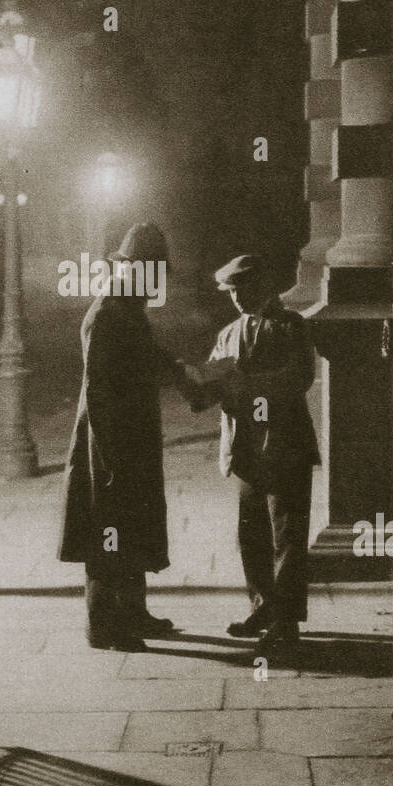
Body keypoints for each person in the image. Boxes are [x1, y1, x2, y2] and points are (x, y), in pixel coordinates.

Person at [57, 222, 192, 651]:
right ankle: (104, 626)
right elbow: (97, 391)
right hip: (108, 444)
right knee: (107, 530)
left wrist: (182, 371)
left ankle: (133, 612)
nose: (158, 286)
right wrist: (110, 458)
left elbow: (148, 355)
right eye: (154, 275)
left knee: (130, 525)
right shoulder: (107, 314)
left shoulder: (128, 311)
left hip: (132, 439)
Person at [192, 255, 320, 655]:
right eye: (232, 293)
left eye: (243, 290)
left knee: (287, 535)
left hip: (285, 446)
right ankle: (262, 606)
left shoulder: (290, 326)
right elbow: (213, 376)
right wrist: (199, 385)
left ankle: (286, 620)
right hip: (245, 449)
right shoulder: (229, 333)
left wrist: (245, 385)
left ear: (263, 287)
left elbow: (299, 376)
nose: (237, 299)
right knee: (252, 536)